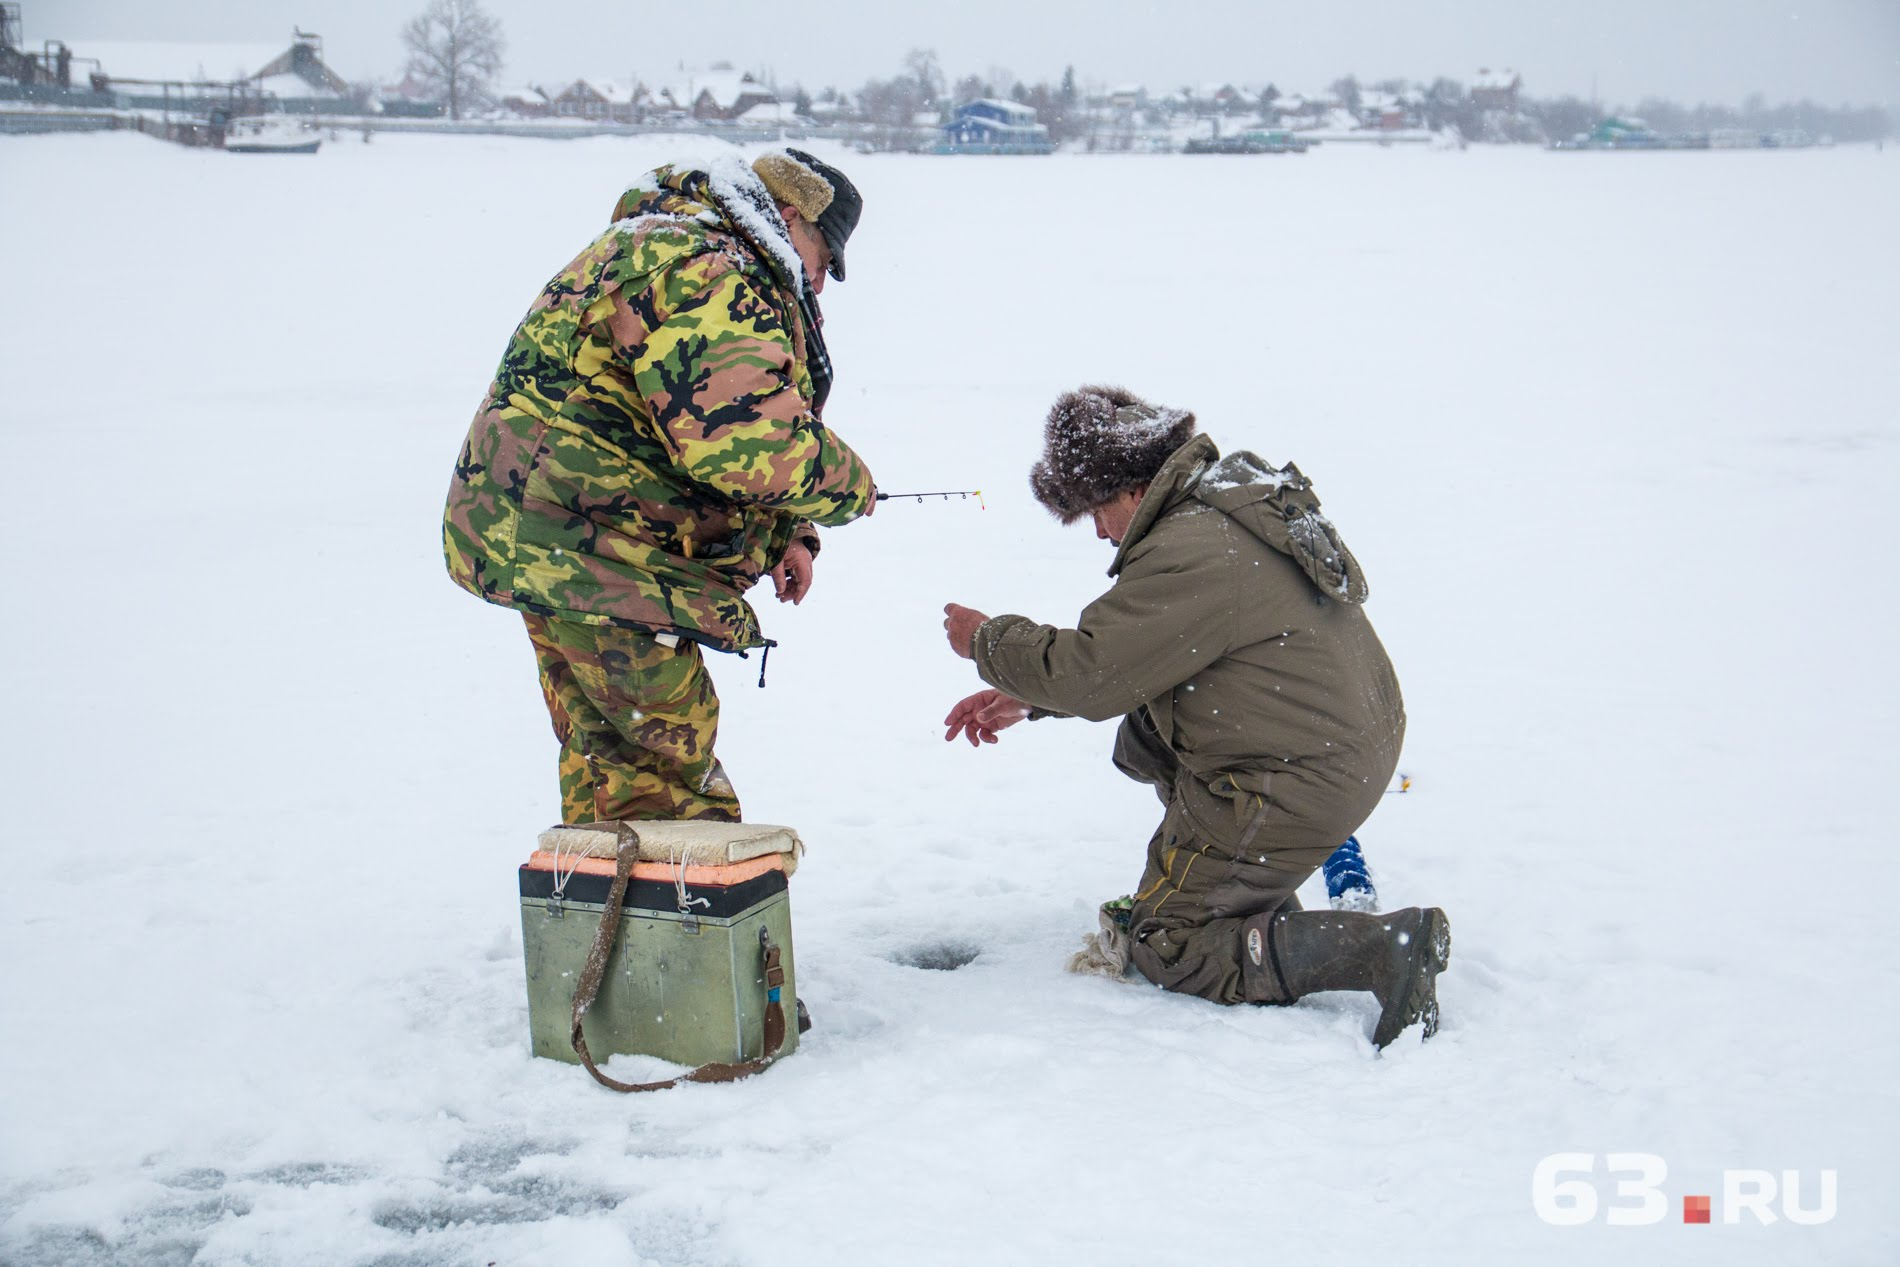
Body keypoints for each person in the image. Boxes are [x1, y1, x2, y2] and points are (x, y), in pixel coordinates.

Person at [940, 386, 1448, 1047]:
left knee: (1171, 940)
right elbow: (1145, 655)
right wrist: (1033, 696)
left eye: (1095, 509)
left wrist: (987, 641)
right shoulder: (1221, 499)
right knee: (1148, 735)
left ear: (1130, 485)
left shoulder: (1190, 548)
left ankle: (1382, 948)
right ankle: (1241, 884)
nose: (1097, 530)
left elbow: (1094, 674)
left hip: (1302, 771)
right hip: (1334, 737)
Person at [443, 149, 877, 824]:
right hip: (596, 557)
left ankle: (602, 919)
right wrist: (852, 487)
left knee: (611, 768)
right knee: (667, 782)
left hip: (558, 544)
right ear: (791, 219)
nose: (816, 285)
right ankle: (684, 926)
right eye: (821, 261)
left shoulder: (671, 247)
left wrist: (791, 531)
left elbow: (699, 417)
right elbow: (745, 440)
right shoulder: (708, 269)